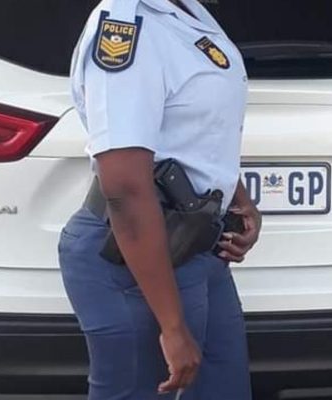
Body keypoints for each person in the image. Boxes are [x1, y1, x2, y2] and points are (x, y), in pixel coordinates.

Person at [58, 0, 261, 398]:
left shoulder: (188, 11)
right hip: (133, 259)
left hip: (197, 247)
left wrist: (238, 199)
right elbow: (126, 187)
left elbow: (193, 131)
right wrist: (171, 326)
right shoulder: (128, 26)